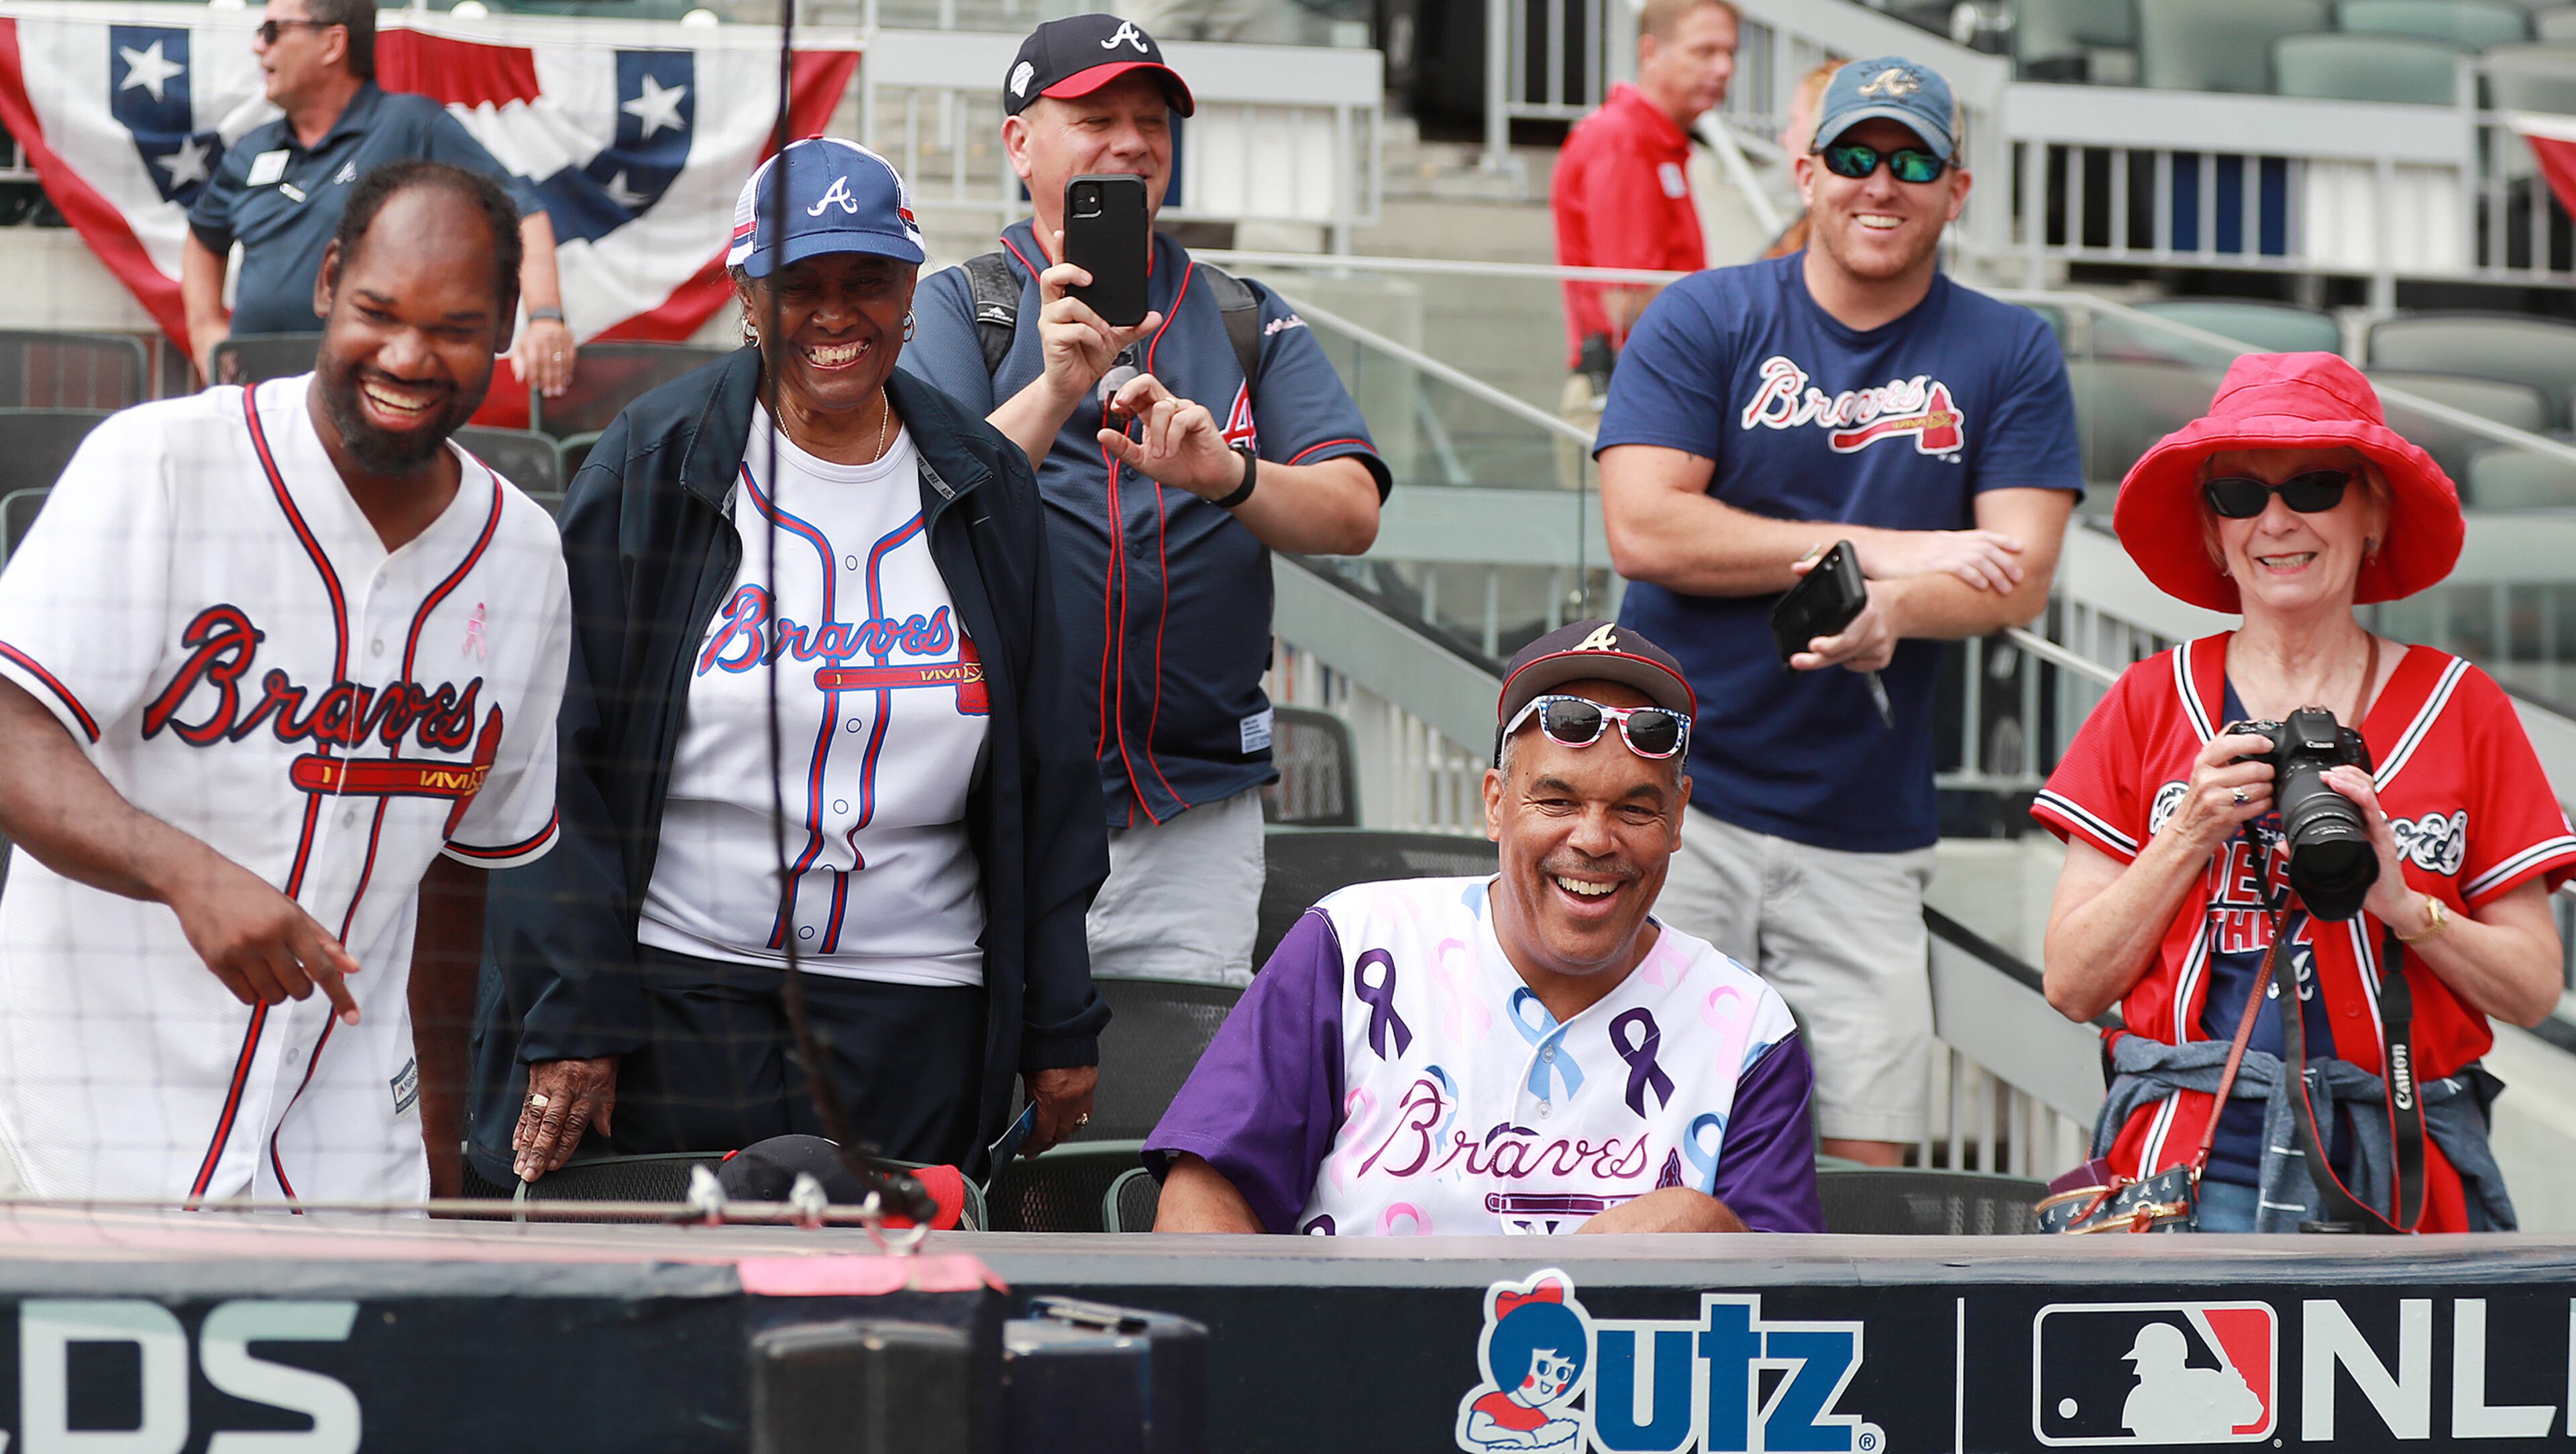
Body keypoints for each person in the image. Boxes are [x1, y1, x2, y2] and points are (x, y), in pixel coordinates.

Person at [476, 139, 1109, 1189]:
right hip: (677, 996)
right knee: (662, 1311)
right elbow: (555, 756)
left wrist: (1057, 1018)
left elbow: (1044, 775)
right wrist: (575, 1008)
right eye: (799, 284)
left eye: (868, 281)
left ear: (913, 289)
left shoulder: (984, 479)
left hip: (914, 1010)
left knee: (880, 1328)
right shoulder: (655, 460)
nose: (836, 313)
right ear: (745, 296)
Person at [0, 161, 569, 1204]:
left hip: (346, 1137)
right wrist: (184, 870)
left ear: (503, 331)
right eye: (377, 311)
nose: (406, 354)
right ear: (326, 283)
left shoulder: (524, 555)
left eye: (453, 325)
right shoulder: (162, 463)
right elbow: (9, 727)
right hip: (91, 1101)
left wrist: (440, 1148)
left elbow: (461, 874)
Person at [1597, 55, 2080, 1168]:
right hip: (1676, 797)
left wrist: (1896, 609)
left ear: (1956, 190)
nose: (1882, 183)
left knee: (1867, 1159)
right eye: (1856, 156)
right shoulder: (1704, 316)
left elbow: (2020, 571)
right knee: (1641, 1145)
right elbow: (1649, 530)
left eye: (1912, 160)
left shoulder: (2010, 349)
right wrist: (1894, 553)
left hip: (1864, 823)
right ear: (1806, 172)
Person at [900, 14, 1390, 988]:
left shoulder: (1243, 311)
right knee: (978, 1109)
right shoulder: (964, 304)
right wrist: (1055, 388)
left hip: (1191, 812)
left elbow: (1350, 512)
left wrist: (1227, 476)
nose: (1132, 142)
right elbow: (923, 516)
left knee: (1169, 1114)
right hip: (990, 798)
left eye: (1153, 120)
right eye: (1096, 117)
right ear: (1020, 142)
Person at [2033, 351, 2571, 1233]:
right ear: (2213, 532)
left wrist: (2406, 908)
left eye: (2315, 486)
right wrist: (2188, 837)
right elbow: (2072, 982)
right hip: (2191, 1173)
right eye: (2238, 496)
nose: (2275, 520)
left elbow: (2533, 989)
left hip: (2401, 1163)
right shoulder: (2149, 699)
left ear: (2374, 513)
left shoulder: (2461, 706)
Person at [1146, 620, 1825, 1235]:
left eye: (1634, 808)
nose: (1593, 838)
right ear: (1497, 804)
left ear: (1677, 819)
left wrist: (1704, 1229)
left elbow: (1795, 1302)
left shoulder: (1749, 1029)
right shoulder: (1354, 942)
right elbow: (1204, 1191)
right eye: (1556, 799)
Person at [181, 0, 578, 398]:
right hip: (253, 397)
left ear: (333, 43)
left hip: (365, 401)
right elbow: (204, 237)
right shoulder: (253, 149)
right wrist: (206, 329)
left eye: (273, 31)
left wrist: (545, 317)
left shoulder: (410, 125)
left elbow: (520, 213)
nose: (258, 47)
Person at [1551, 0, 1735, 460]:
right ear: (1651, 51)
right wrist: (1740, 303)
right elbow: (1626, 300)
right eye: (1705, 51)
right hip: (1630, 399)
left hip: (1644, 392)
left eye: (1730, 53)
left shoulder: (1649, 138)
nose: (1724, 68)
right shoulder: (1625, 138)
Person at [1758, 60, 1843, 260]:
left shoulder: (1834, 236)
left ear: (1819, 132)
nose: (1783, 139)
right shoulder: (1803, 228)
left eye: (1794, 121)